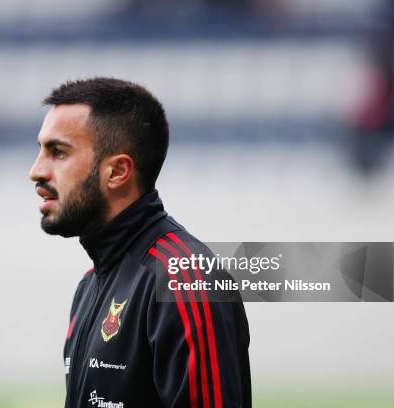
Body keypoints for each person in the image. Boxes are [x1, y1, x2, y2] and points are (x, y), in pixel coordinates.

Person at [29, 78, 251, 407]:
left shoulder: (183, 278)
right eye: (41, 151)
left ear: (118, 172)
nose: (36, 171)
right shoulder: (90, 284)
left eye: (58, 152)